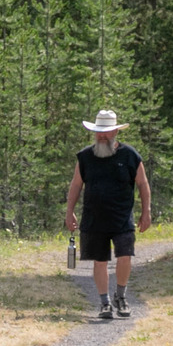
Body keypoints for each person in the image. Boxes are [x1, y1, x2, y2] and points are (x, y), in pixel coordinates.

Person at [64, 109, 152, 320]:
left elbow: (142, 183)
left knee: (125, 256)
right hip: (94, 218)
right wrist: (70, 212)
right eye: (99, 132)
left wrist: (146, 211)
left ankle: (120, 296)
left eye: (107, 132)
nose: (102, 136)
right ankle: (104, 303)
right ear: (94, 133)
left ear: (115, 132)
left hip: (122, 217)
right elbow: (76, 185)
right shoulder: (85, 157)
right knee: (100, 261)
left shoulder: (130, 156)